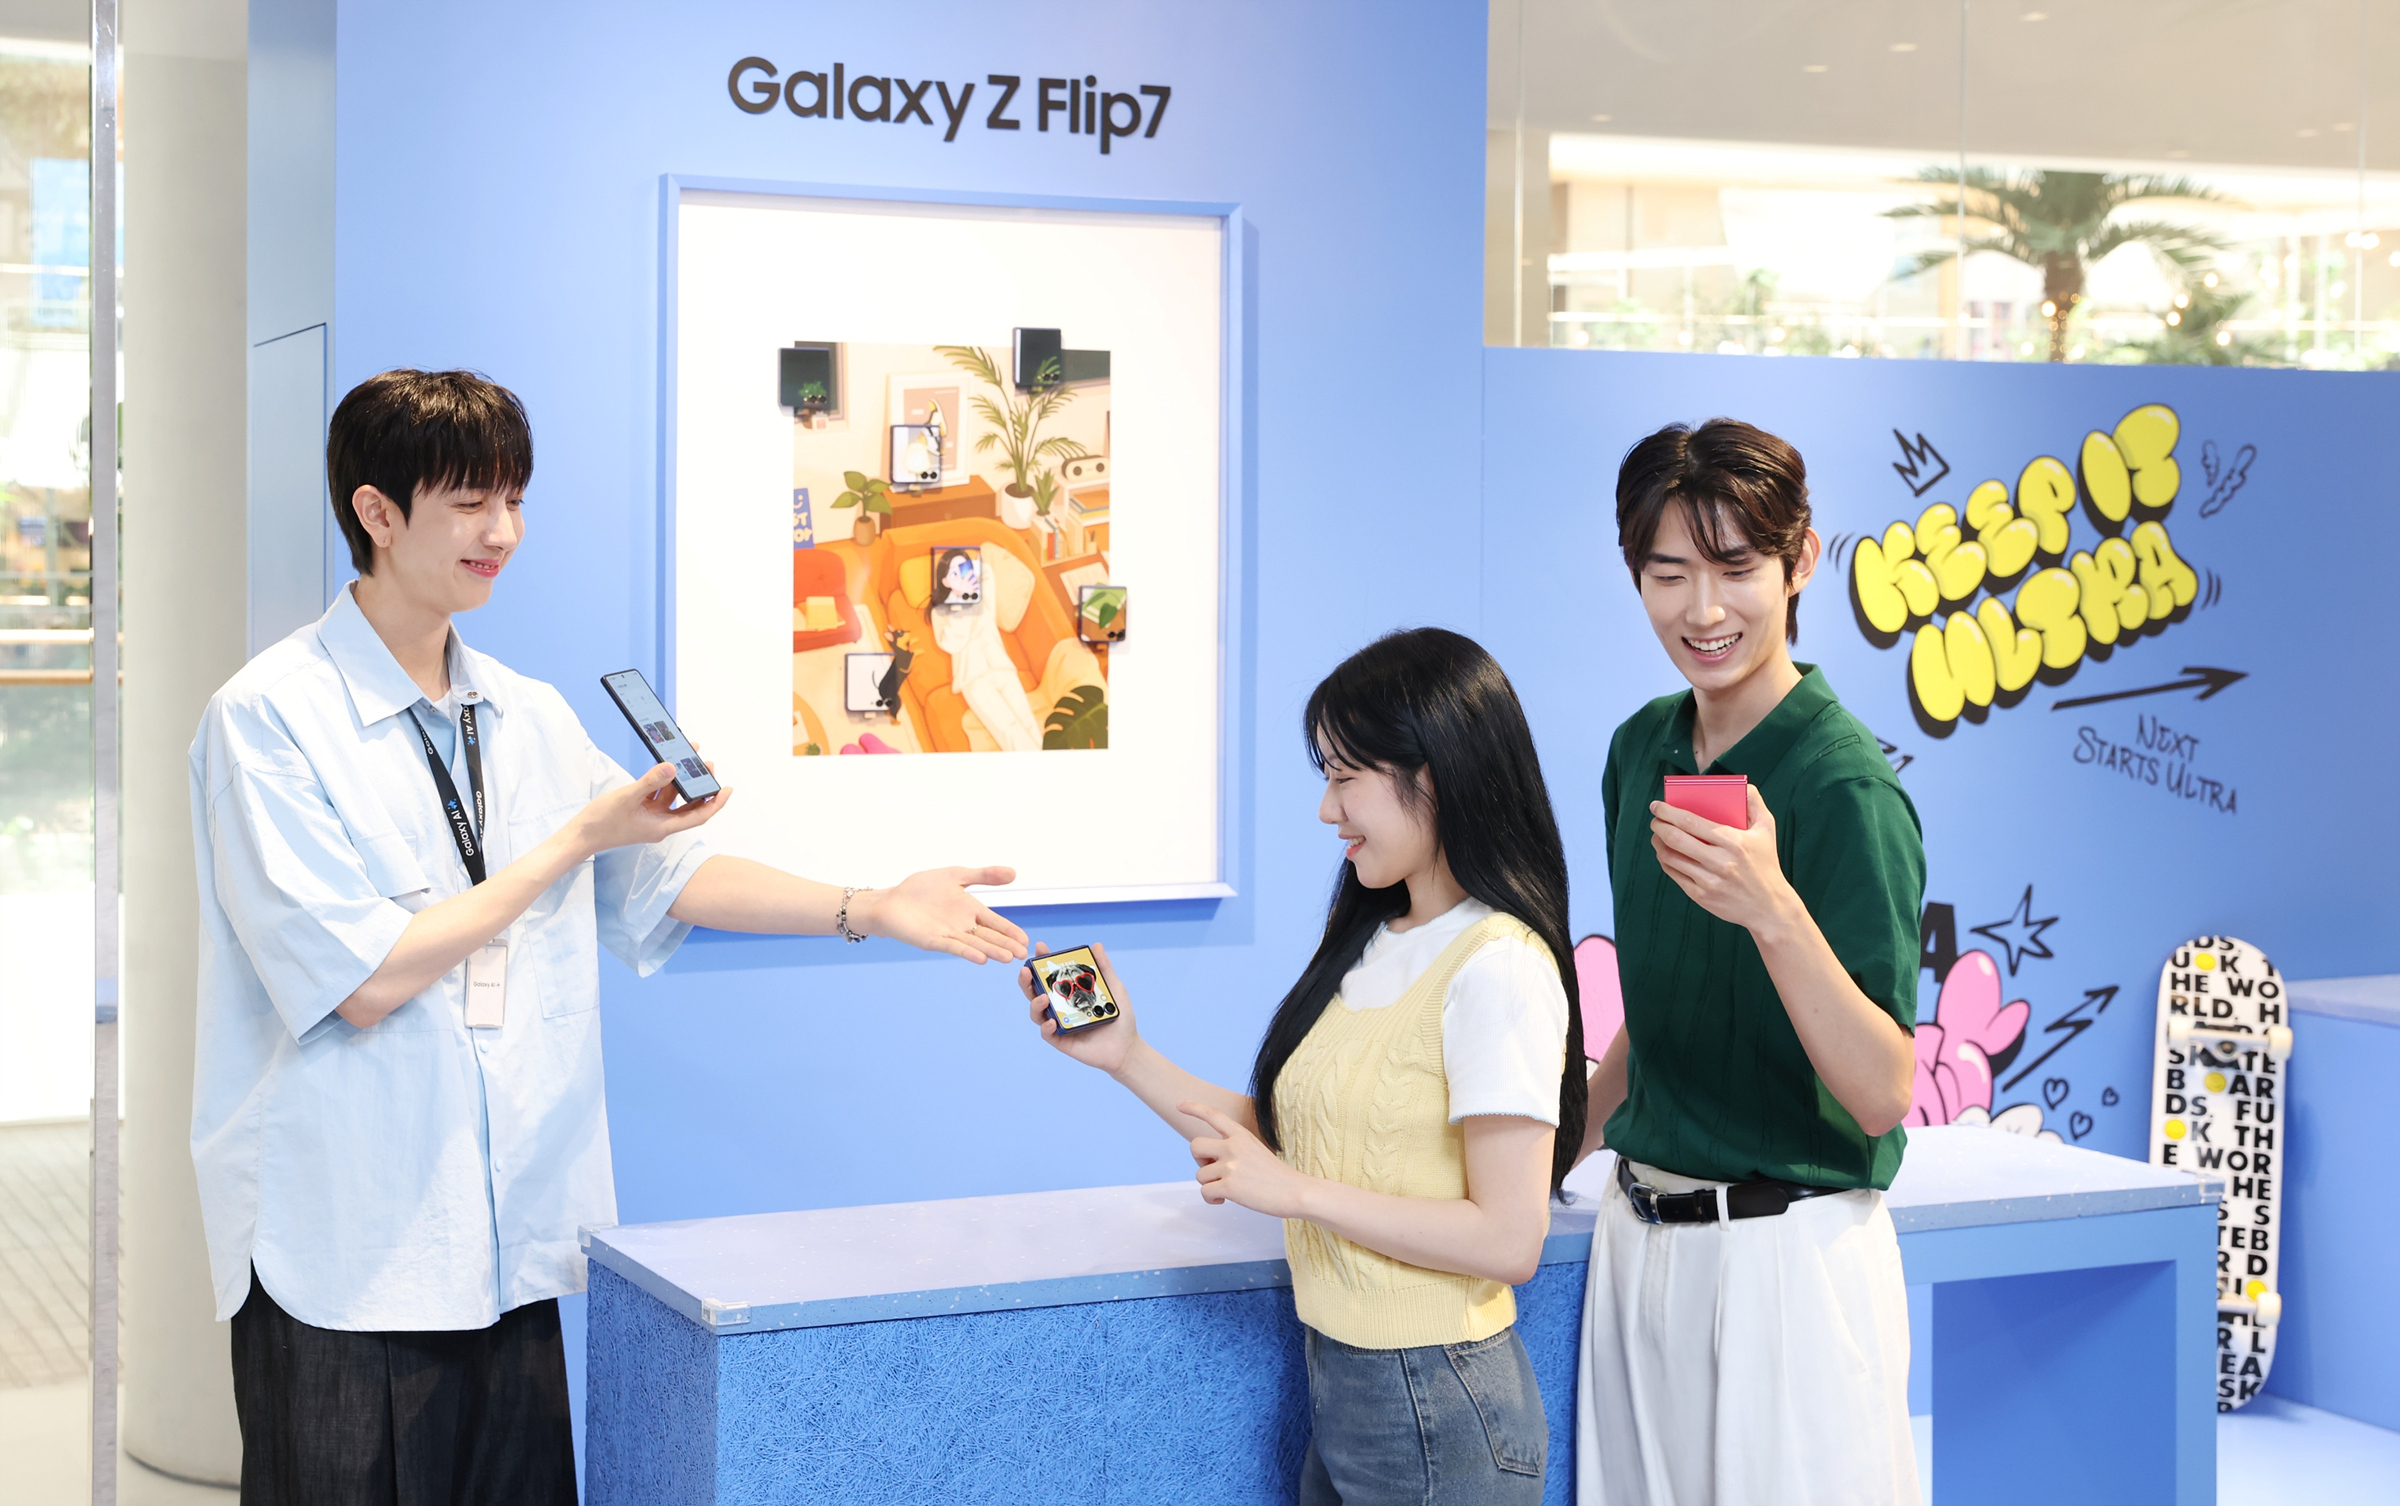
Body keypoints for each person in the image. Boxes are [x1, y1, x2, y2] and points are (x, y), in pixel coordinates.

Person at [188, 369, 1029, 1506]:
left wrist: (868, 905)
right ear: (376, 513)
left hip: (509, 1241)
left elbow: (668, 876)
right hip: (348, 1251)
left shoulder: (523, 711)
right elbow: (365, 980)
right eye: (471, 503)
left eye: (515, 500)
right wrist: (576, 838)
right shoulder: (268, 719)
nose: (503, 533)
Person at [1019, 628, 1587, 1505]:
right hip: (1349, 1381)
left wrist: (1297, 1194)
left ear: (1434, 774)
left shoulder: (1500, 964)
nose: (1328, 810)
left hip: (1439, 1391)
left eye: (1344, 777)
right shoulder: (1376, 935)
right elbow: (1292, 1136)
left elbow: (1509, 1241)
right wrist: (1125, 1055)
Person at [1574, 419, 1925, 1505]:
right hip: (1636, 1248)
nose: (1703, 610)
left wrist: (1773, 910)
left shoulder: (1842, 786)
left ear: (1800, 560)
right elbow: (1661, 1013)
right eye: (1668, 574)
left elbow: (1882, 1091)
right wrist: (1548, 1156)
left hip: (1786, 1265)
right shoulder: (1641, 749)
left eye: (1735, 568)